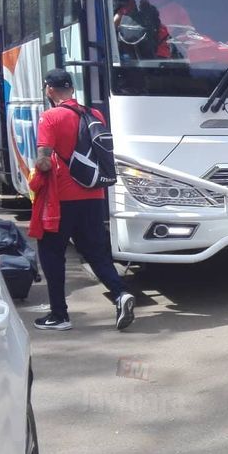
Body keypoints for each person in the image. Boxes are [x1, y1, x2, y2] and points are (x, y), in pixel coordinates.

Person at [33, 69, 135, 332]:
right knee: (95, 252)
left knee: (51, 253)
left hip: (61, 199)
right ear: (71, 88)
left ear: (49, 89)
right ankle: (121, 293)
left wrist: (40, 166)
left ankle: (59, 315)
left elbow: (44, 160)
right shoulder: (94, 114)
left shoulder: (50, 117)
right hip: (93, 194)